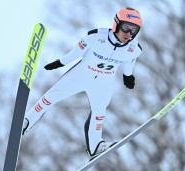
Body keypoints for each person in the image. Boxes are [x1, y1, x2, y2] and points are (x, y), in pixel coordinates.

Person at [22, 7, 143, 160]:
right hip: (81, 75)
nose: (128, 34)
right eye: (126, 27)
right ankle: (26, 121)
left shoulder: (134, 48)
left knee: (100, 113)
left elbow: (128, 63)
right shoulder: (96, 36)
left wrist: (128, 76)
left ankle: (95, 146)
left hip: (104, 82)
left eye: (134, 30)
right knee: (50, 97)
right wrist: (60, 63)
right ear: (116, 24)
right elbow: (75, 53)